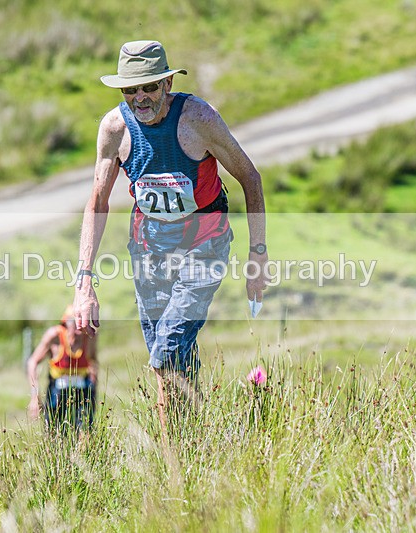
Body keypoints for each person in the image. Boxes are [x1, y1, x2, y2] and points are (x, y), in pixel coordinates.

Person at [72, 40, 269, 433]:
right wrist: (84, 281)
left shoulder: (198, 118)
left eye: (149, 87)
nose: (140, 98)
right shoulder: (113, 129)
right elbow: (97, 201)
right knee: (172, 358)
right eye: (131, 89)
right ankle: (192, 438)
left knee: (166, 351)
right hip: (149, 252)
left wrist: (257, 256)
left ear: (166, 84)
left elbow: (250, 177)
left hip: (205, 244)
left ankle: (172, 460)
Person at [27, 305, 98, 433]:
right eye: (76, 322)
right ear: (66, 323)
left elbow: (93, 361)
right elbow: (33, 362)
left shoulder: (90, 336)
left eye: (83, 323)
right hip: (57, 389)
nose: (79, 327)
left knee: (86, 431)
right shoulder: (55, 336)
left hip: (83, 388)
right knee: (54, 431)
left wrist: (94, 387)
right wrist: (34, 396)